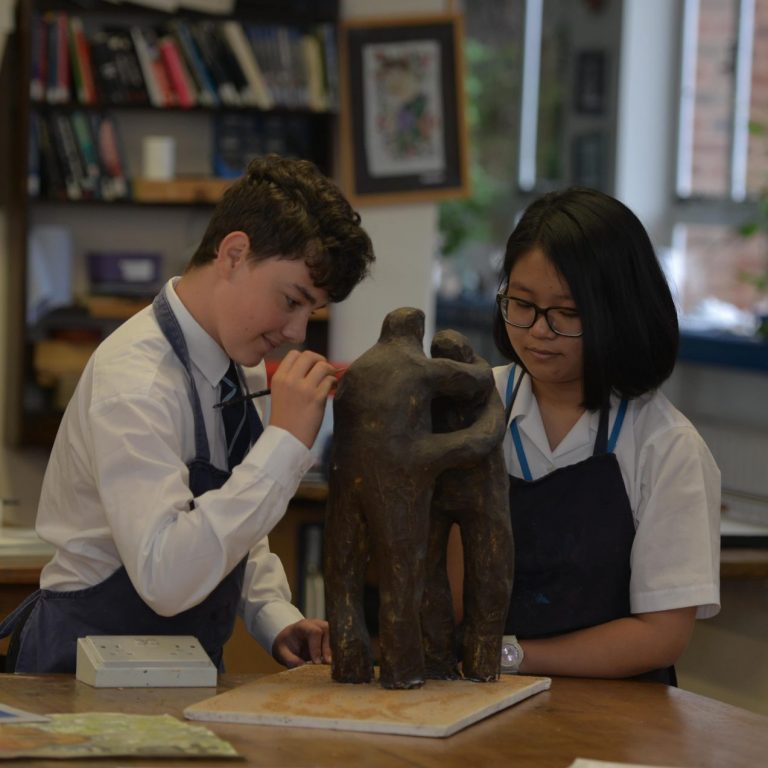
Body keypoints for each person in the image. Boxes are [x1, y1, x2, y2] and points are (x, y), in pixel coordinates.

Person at [0, 154, 375, 674]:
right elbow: (165, 577)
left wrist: (274, 614)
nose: (295, 332)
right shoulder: (137, 383)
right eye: (291, 300)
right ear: (235, 253)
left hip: (180, 672)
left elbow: (229, 515)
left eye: (310, 312)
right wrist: (285, 443)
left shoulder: (236, 365)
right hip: (79, 681)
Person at [448, 187, 720, 684]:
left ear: (619, 311)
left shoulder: (665, 445)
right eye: (522, 304)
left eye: (567, 314)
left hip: (618, 716)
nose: (538, 331)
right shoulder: (469, 407)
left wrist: (510, 656)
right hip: (474, 694)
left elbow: (662, 634)